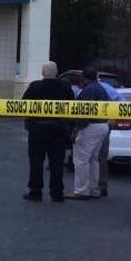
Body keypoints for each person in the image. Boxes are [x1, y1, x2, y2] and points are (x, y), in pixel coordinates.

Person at [21, 62, 74, 202]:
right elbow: (72, 107)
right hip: (58, 130)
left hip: (37, 129)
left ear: (43, 72)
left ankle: (35, 192)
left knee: (36, 162)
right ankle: (57, 193)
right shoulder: (65, 87)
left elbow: (24, 105)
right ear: (56, 72)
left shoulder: (35, 86)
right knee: (56, 163)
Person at [67, 67, 110, 199]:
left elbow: (84, 113)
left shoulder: (88, 90)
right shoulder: (101, 89)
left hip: (90, 126)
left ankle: (81, 191)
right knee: (93, 159)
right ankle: (94, 189)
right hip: (102, 125)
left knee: (81, 160)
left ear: (83, 77)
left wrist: (76, 130)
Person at [97, 78, 123, 197]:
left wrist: (111, 119)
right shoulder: (107, 88)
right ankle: (101, 185)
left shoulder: (103, 88)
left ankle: (94, 186)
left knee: (90, 158)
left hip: (96, 125)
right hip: (102, 125)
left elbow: (121, 101)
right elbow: (121, 101)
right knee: (101, 157)